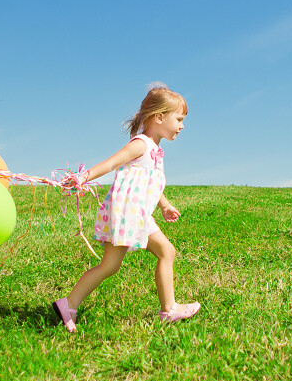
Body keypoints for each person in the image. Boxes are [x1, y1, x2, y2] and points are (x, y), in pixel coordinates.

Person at [53, 84, 201, 331]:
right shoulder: (141, 144)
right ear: (159, 117)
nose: (182, 125)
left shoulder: (155, 151)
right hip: (127, 214)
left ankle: (69, 304)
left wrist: (164, 205)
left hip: (136, 214)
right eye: (179, 119)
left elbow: (149, 184)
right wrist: (82, 177)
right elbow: (110, 164)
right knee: (137, 259)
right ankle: (167, 309)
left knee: (155, 255)